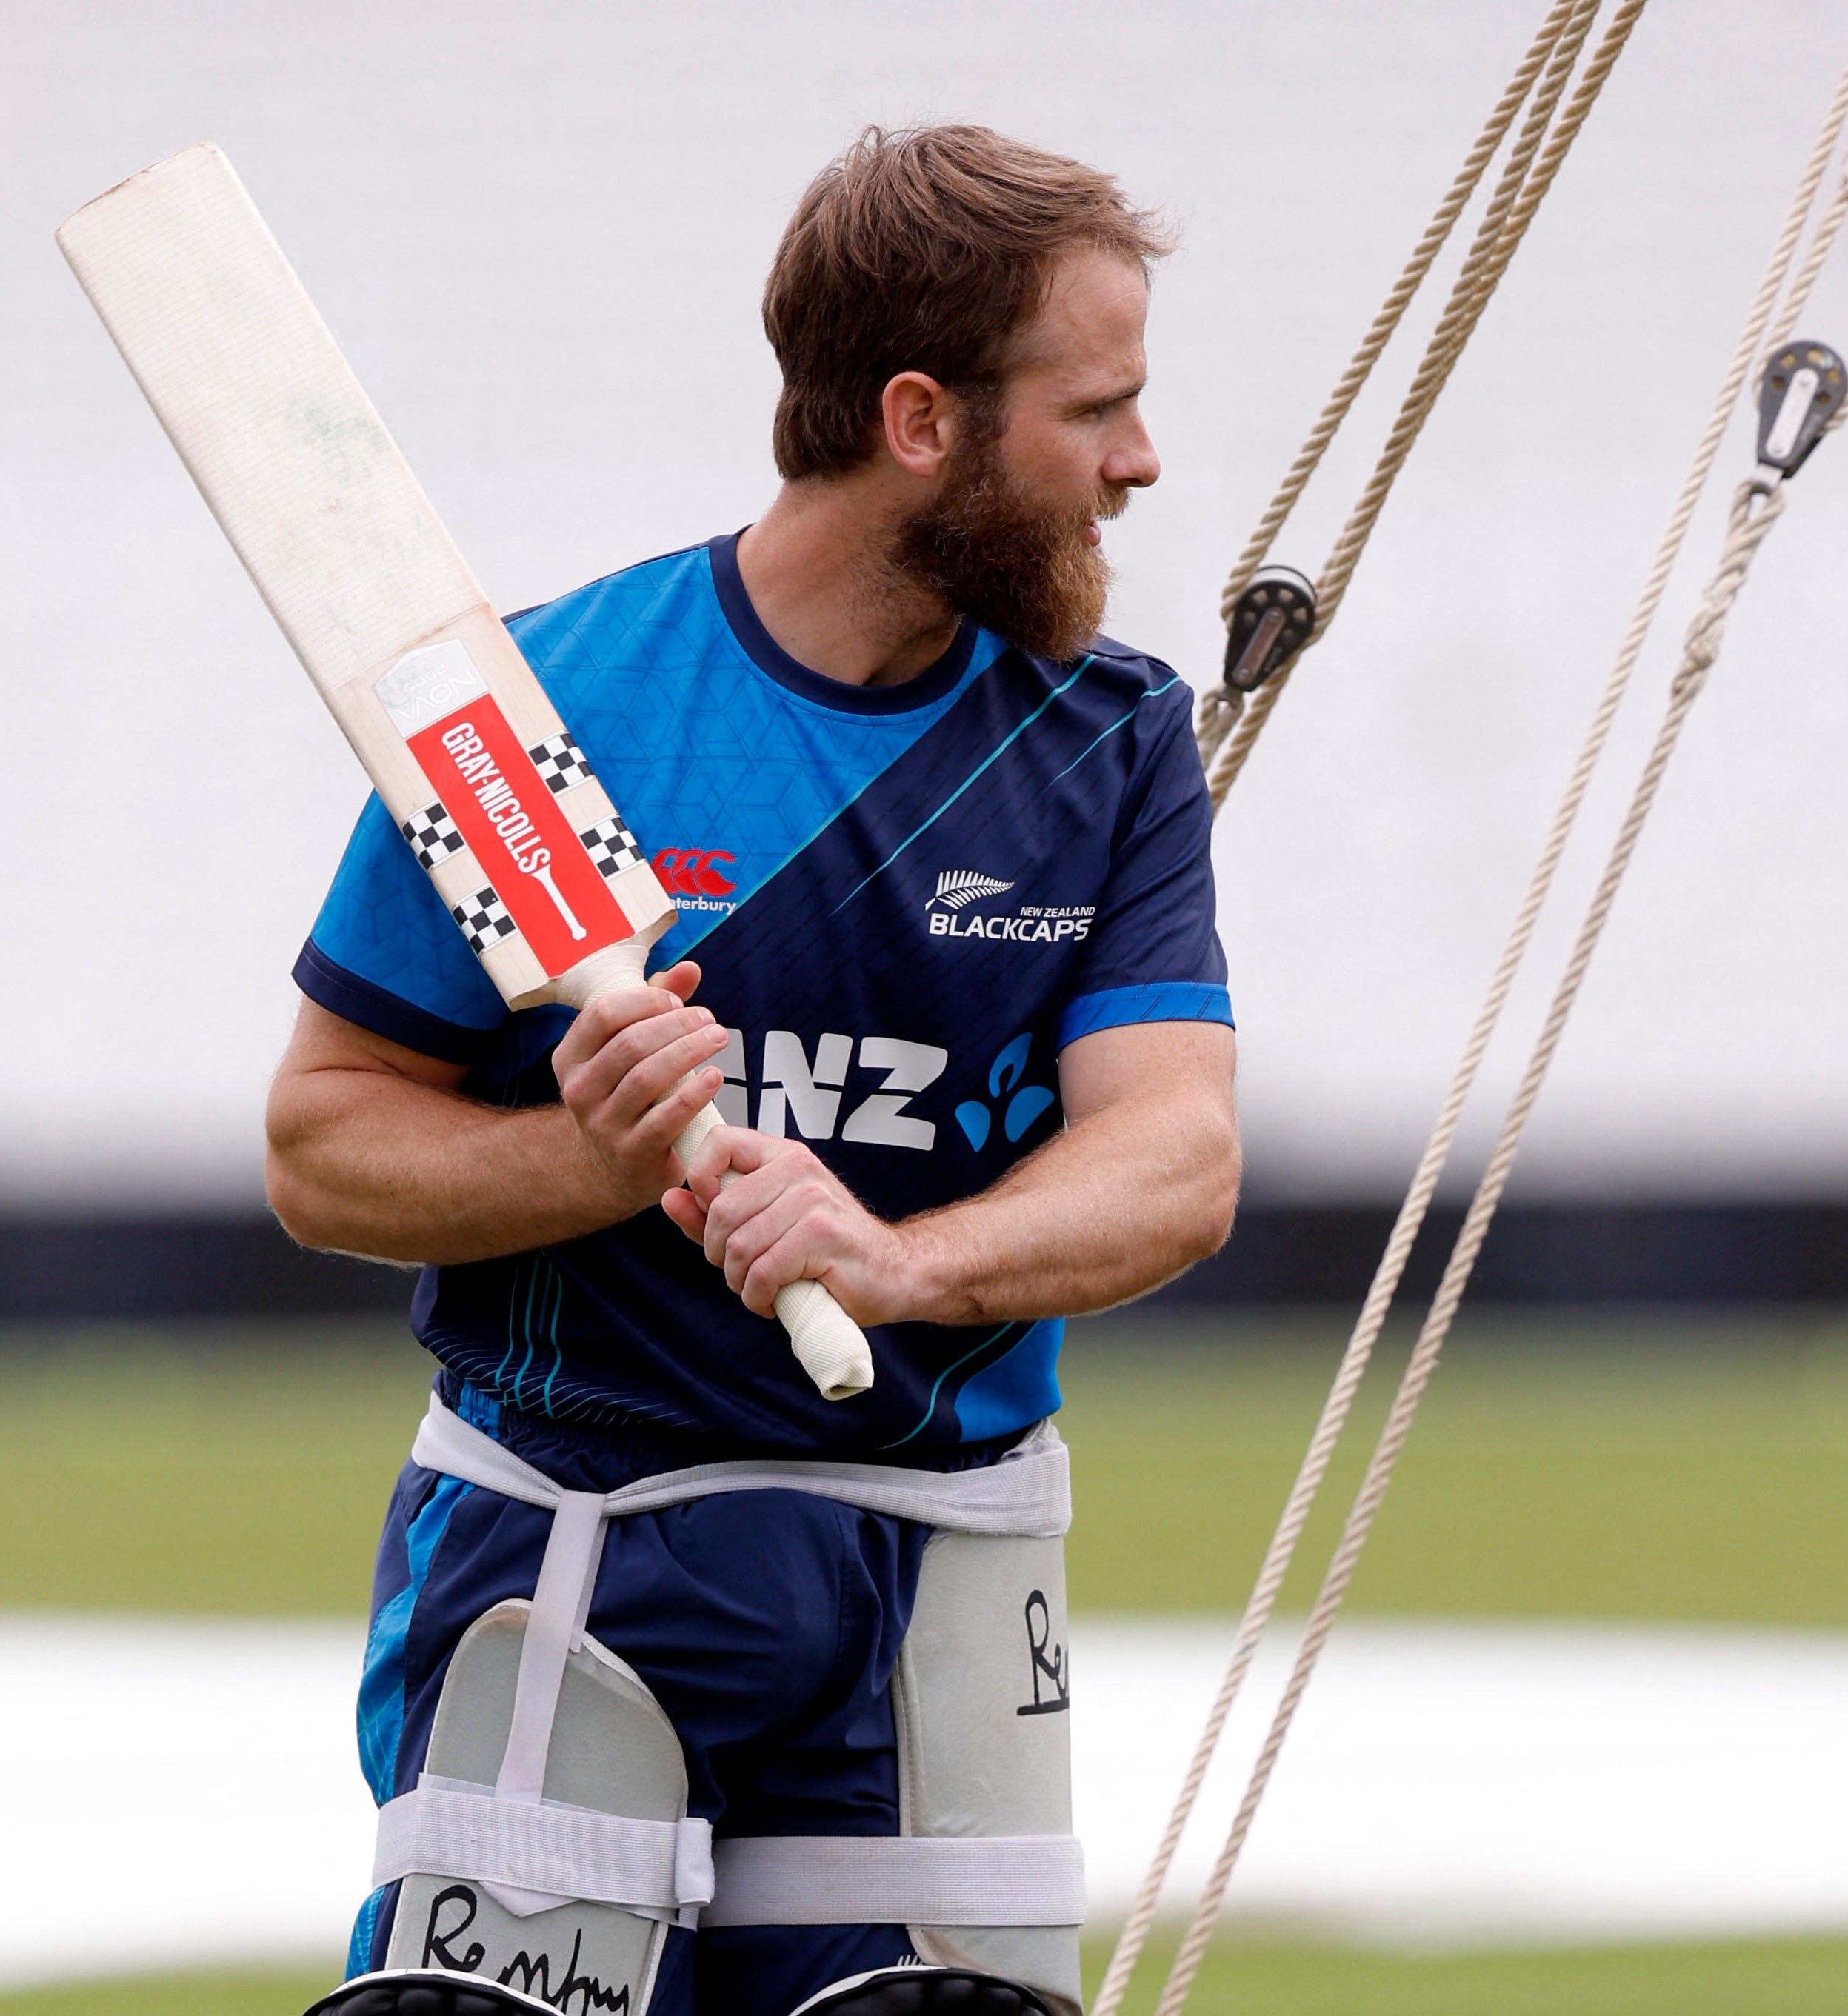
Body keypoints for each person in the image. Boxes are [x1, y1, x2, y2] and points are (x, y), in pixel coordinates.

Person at [268, 124, 1238, 2016]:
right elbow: (324, 1145)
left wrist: (902, 1264)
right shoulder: (537, 712)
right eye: (1095, 410)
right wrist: (590, 1154)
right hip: (569, 1537)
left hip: (936, 1575)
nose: (1139, 460)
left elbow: (1176, 1159)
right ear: (917, 421)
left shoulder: (1112, 738)